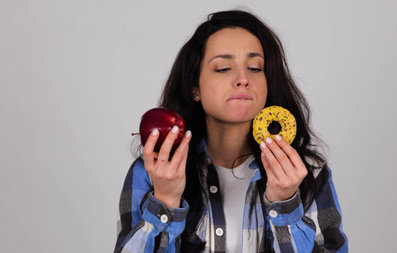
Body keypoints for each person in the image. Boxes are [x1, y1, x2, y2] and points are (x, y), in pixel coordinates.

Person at [114, 10, 348, 253]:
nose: (242, 79)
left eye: (255, 68)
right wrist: (165, 201)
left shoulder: (306, 173)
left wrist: (285, 203)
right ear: (195, 88)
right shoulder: (152, 172)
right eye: (223, 68)